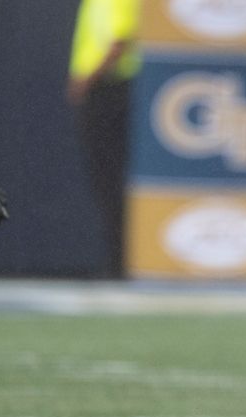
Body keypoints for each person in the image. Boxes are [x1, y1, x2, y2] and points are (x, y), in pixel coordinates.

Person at [67, 0, 141, 278]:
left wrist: (87, 79)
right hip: (105, 89)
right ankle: (116, 259)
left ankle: (120, 262)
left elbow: (120, 40)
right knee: (104, 179)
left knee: (112, 179)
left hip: (112, 89)